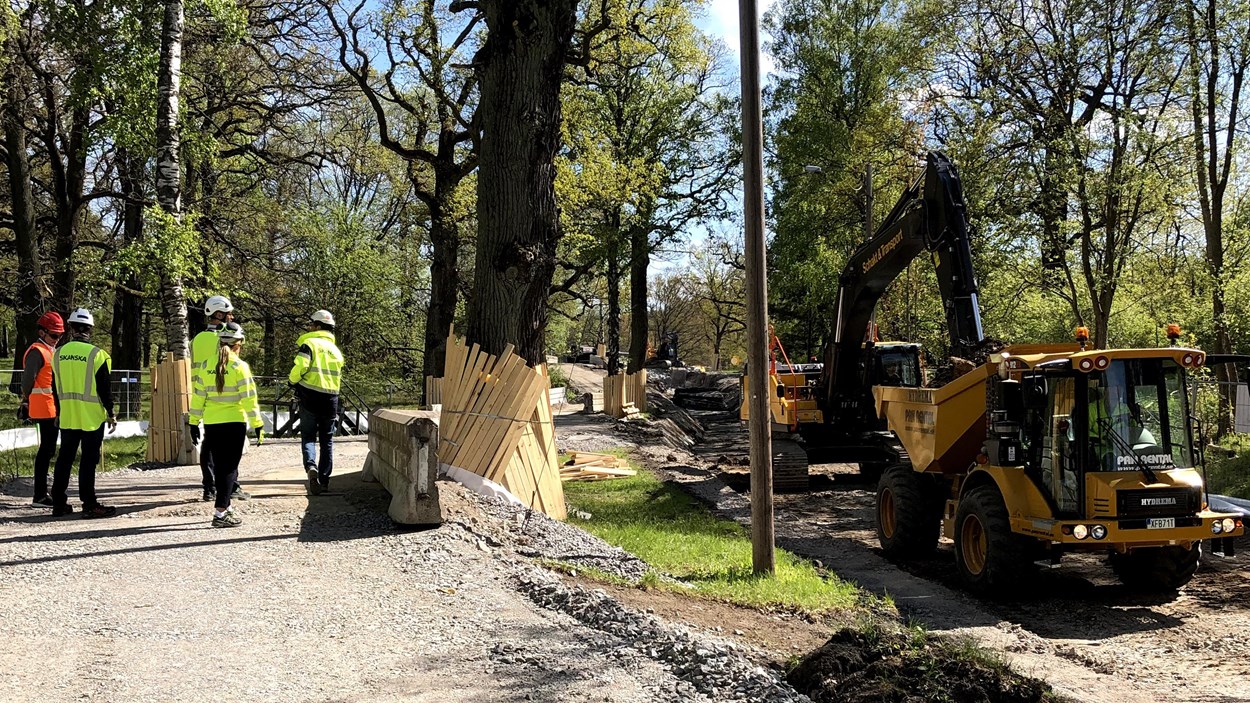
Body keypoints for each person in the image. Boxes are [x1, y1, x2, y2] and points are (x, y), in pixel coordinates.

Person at [188, 322, 264, 528]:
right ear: (238, 344)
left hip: (212, 424)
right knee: (229, 468)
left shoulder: (206, 366)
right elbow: (249, 398)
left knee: (220, 467)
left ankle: (226, 506)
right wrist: (257, 424)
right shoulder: (240, 367)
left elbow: (198, 398)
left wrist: (193, 423)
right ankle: (220, 513)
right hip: (234, 423)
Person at [50, 308, 117, 519]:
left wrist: (58, 411)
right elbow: (104, 388)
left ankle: (59, 504)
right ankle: (89, 504)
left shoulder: (58, 354)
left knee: (64, 459)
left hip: (68, 415)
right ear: (90, 329)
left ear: (70, 328)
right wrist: (111, 412)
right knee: (88, 461)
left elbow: (54, 386)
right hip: (91, 418)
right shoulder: (98, 355)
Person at [191, 295, 248, 502]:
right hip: (225, 395)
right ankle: (231, 486)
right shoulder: (224, 338)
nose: (231, 316)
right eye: (228, 313)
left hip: (201, 393)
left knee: (208, 444)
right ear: (218, 313)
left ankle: (209, 486)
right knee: (229, 450)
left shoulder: (196, 339)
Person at [289, 309, 344, 495]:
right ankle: (325, 480)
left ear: (318, 326)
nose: (310, 327)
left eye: (312, 323)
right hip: (331, 399)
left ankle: (311, 468)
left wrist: (292, 381)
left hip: (309, 396)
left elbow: (301, 367)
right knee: (327, 441)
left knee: (309, 437)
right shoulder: (336, 350)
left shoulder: (309, 344)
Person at [19, 312, 64, 507]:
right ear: (42, 332)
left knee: (48, 450)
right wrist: (25, 401)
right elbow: (28, 380)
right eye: (54, 335)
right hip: (44, 407)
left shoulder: (50, 350)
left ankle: (42, 493)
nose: (57, 339)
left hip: (52, 406)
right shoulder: (37, 351)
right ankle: (39, 495)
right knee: (46, 450)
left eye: (60, 335)